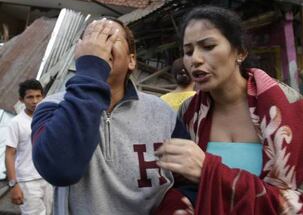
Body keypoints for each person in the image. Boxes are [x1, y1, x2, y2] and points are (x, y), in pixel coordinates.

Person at [155, 6, 303, 214]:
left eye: (208, 46)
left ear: (240, 52)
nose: (195, 59)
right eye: (188, 51)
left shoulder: (288, 106)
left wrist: (210, 172)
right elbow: (184, 186)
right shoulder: (189, 113)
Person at [31, 18, 188, 215]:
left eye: (109, 37)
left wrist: (174, 205)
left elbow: (188, 180)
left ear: (132, 60)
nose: (99, 45)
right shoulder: (52, 107)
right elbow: (59, 169)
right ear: (81, 53)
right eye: (91, 38)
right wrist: (91, 70)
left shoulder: (162, 113)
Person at [5, 79, 53, 215]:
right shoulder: (17, 123)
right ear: (21, 100)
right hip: (28, 181)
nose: (35, 101)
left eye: (38, 96)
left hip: (49, 178)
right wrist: (13, 185)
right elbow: (9, 154)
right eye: (30, 97)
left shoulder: (49, 118)